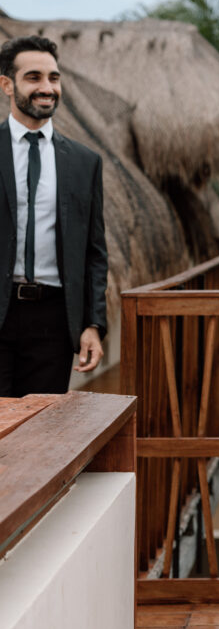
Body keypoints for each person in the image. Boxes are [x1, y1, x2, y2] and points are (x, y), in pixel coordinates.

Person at [0, 35, 107, 396]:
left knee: (40, 437)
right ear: (6, 85)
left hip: (53, 322)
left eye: (54, 78)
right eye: (34, 77)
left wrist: (93, 324)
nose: (47, 88)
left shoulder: (84, 162)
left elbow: (94, 253)